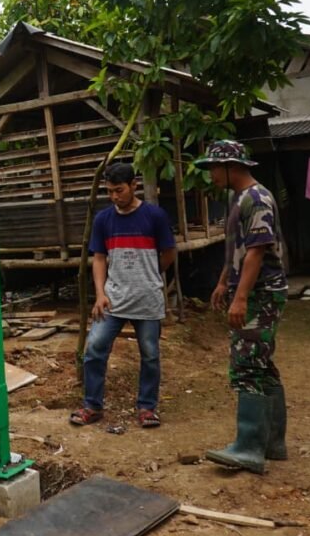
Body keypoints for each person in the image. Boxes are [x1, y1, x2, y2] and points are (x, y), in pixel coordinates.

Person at [194, 139, 288, 474]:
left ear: (232, 166)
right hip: (252, 290)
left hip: (261, 293)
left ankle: (249, 447)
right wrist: (223, 282)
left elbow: (257, 251)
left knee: (246, 365)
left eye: (214, 169)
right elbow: (237, 249)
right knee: (261, 365)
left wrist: (241, 296)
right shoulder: (239, 199)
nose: (211, 176)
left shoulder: (257, 198)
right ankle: (273, 443)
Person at [70, 162, 176, 429]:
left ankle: (146, 407)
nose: (115, 196)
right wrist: (100, 294)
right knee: (94, 348)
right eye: (110, 191)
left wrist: (149, 275)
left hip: (148, 299)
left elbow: (169, 254)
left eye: (120, 190)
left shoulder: (155, 216)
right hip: (113, 299)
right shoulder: (103, 220)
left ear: (134, 186)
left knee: (150, 354)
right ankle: (92, 406)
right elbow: (99, 258)